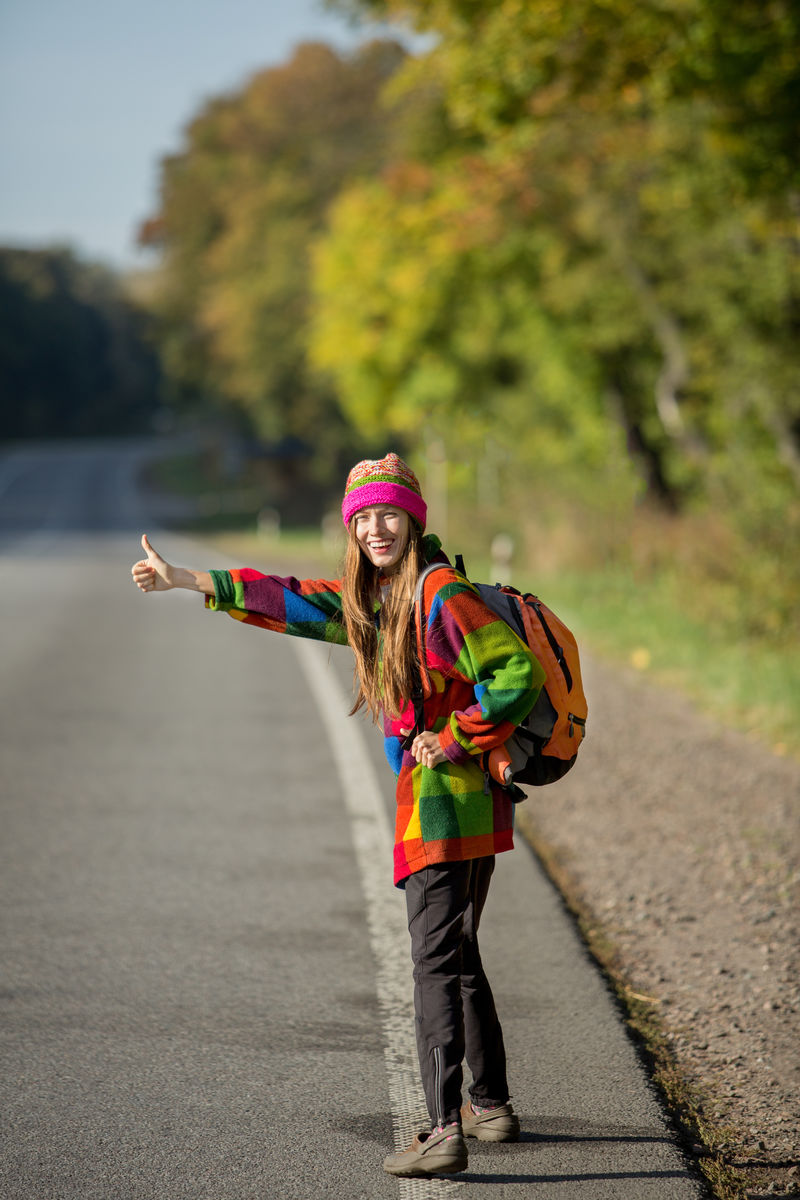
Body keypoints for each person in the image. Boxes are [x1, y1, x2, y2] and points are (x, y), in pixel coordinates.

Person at [131, 452, 544, 1178]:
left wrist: (451, 738)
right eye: (363, 519)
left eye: (389, 514)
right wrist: (188, 580)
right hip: (469, 803)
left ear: (413, 519)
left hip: (446, 804)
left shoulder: (439, 596)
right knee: (459, 950)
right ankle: (490, 1103)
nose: (376, 528)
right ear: (351, 529)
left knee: (432, 964)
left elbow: (515, 671)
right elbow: (288, 599)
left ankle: (442, 1131)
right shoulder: (381, 602)